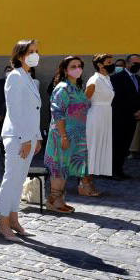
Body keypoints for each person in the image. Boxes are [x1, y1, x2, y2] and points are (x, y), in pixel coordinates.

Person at [0, 40, 42, 240]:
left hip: (29, 137)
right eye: (31, 51)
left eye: (37, 51)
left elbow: (34, 111)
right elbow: (14, 110)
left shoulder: (28, 77)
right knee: (11, 179)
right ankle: (3, 223)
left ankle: (14, 218)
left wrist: (37, 137)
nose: (35, 54)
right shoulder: (14, 76)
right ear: (20, 54)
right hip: (16, 136)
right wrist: (24, 139)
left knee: (19, 180)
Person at [44, 56, 91, 212]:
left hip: (76, 135)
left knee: (67, 167)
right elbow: (57, 113)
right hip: (62, 134)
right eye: (73, 66)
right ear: (65, 69)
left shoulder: (77, 87)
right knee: (59, 167)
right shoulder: (62, 88)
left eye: (79, 66)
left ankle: (60, 200)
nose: (77, 69)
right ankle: (53, 201)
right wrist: (63, 136)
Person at [110, 54, 140, 179]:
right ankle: (112, 171)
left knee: (125, 145)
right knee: (117, 145)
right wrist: (132, 111)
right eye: (135, 63)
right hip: (120, 117)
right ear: (127, 63)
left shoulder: (138, 79)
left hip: (133, 118)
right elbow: (118, 99)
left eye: (139, 64)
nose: (137, 66)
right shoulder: (117, 78)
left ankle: (119, 169)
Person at [84, 53, 115, 191]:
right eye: (108, 62)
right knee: (92, 149)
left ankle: (90, 182)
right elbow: (84, 100)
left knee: (100, 148)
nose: (111, 64)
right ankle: (84, 184)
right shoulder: (95, 80)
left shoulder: (107, 78)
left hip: (106, 116)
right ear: (100, 64)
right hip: (95, 116)